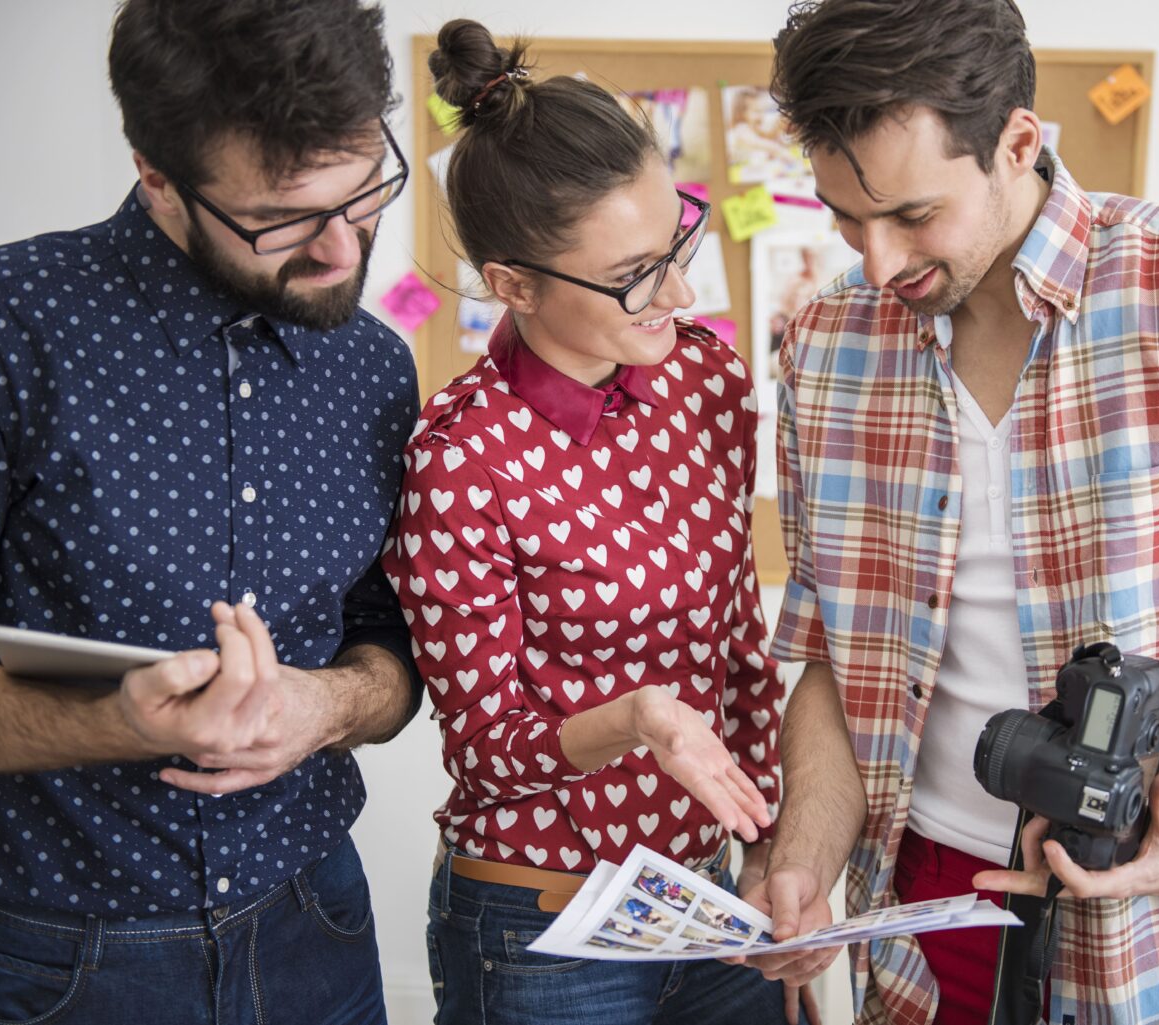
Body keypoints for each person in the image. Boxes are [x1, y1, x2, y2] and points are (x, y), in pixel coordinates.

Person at [735, 1, 1159, 1023]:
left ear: (1017, 142)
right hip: (921, 924)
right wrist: (802, 856)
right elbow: (835, 658)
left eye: (912, 215)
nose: (874, 262)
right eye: (843, 217)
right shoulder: (826, 348)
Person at [0, 2, 421, 1022]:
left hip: (320, 924)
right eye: (287, 217)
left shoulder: (376, 364)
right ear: (157, 173)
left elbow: (392, 641)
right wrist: (112, 721)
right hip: (68, 954)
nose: (344, 249)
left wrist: (325, 706)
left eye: (366, 190)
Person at [382, 20, 807, 1025]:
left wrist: (769, 845)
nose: (681, 292)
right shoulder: (459, 460)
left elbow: (735, 641)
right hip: (544, 924)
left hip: (707, 901)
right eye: (632, 277)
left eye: (678, 244)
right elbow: (486, 746)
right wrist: (637, 718)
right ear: (512, 286)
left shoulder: (703, 375)